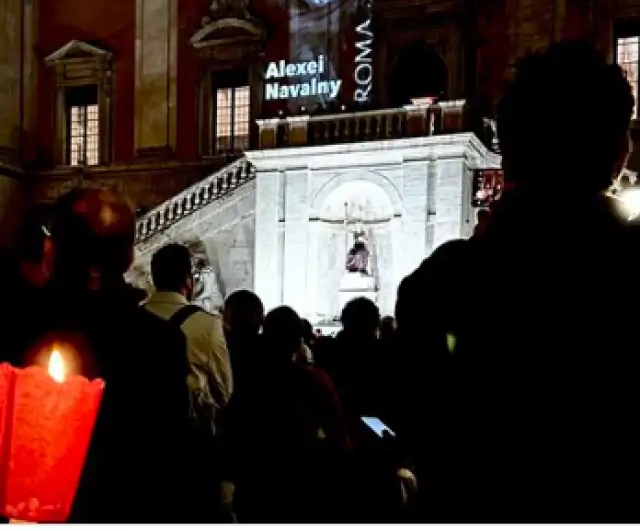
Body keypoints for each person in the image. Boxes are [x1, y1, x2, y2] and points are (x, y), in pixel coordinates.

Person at [396, 41, 640, 522]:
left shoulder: (440, 283)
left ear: (507, 150)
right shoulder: (627, 270)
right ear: (618, 152)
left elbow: (420, 430)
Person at [0, 188, 194, 523]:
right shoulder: (160, 342)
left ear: (50, 250)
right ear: (130, 257)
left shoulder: (9, 329)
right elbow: (172, 461)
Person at [223, 305, 352, 522]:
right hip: (303, 487)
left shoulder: (247, 381)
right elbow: (339, 437)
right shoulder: (315, 381)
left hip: (256, 488)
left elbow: (230, 435)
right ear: (298, 342)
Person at [145, 242, 233, 436]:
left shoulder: (132, 319)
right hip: (188, 434)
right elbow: (224, 391)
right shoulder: (207, 324)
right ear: (188, 281)